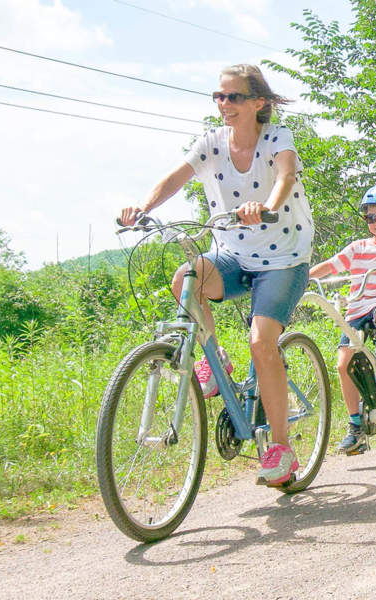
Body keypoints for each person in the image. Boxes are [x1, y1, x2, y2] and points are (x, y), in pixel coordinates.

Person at [118, 64, 313, 487]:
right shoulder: (210, 144)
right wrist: (144, 209)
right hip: (232, 253)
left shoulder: (277, 137)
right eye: (218, 97)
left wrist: (267, 205)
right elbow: (175, 177)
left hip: (283, 257)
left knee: (262, 342)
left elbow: (285, 175)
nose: (224, 105)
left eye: (233, 97)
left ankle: (280, 446)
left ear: (258, 102)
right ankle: (215, 358)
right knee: (184, 281)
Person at [308, 185, 376, 456]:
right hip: (357, 310)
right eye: (371, 217)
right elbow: (332, 265)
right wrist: (304, 277)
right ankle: (355, 426)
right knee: (343, 365)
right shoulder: (357, 248)